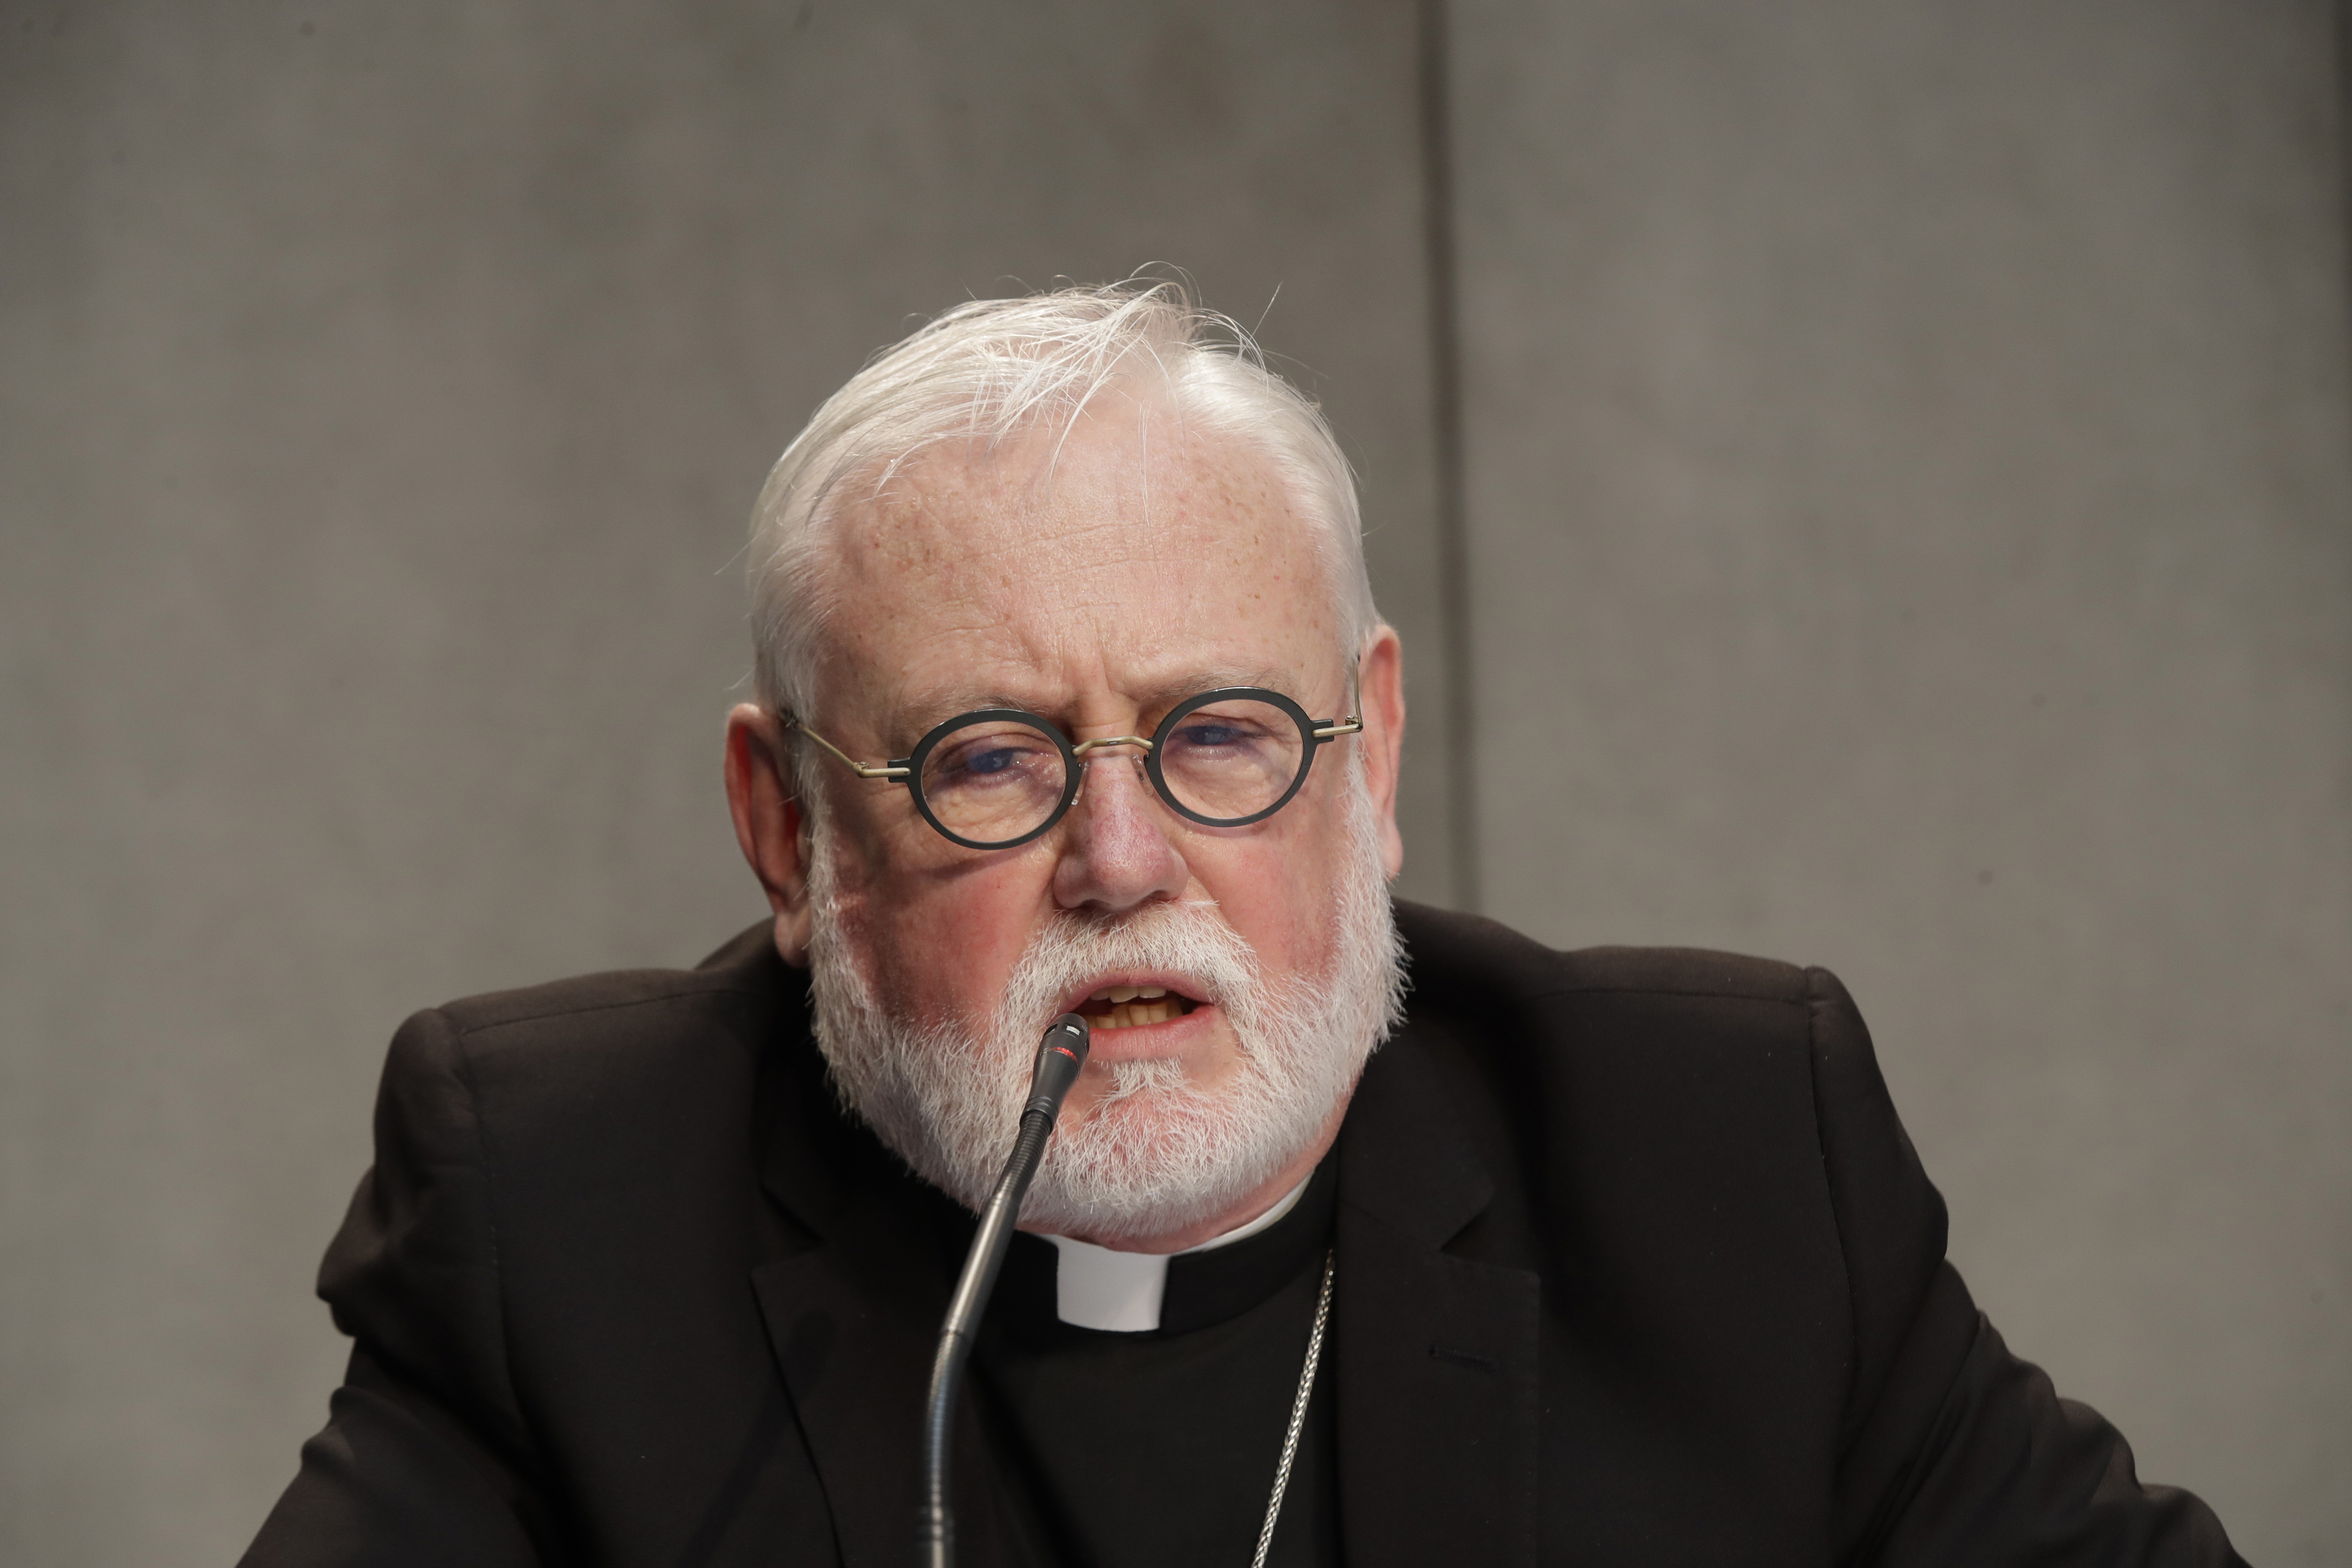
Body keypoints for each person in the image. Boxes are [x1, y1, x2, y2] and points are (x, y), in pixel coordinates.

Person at [242, 282, 2244, 1568]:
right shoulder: (565, 1219)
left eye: (1217, 736)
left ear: (1369, 756)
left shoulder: (1716, 1163)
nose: (1122, 859)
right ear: (787, 834)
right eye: (993, 761)